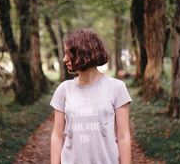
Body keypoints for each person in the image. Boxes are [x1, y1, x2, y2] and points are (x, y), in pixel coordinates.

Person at [50, 28, 132, 164]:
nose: (64, 59)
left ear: (84, 53)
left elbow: (123, 136)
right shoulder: (63, 90)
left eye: (69, 53)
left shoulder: (117, 88)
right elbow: (57, 136)